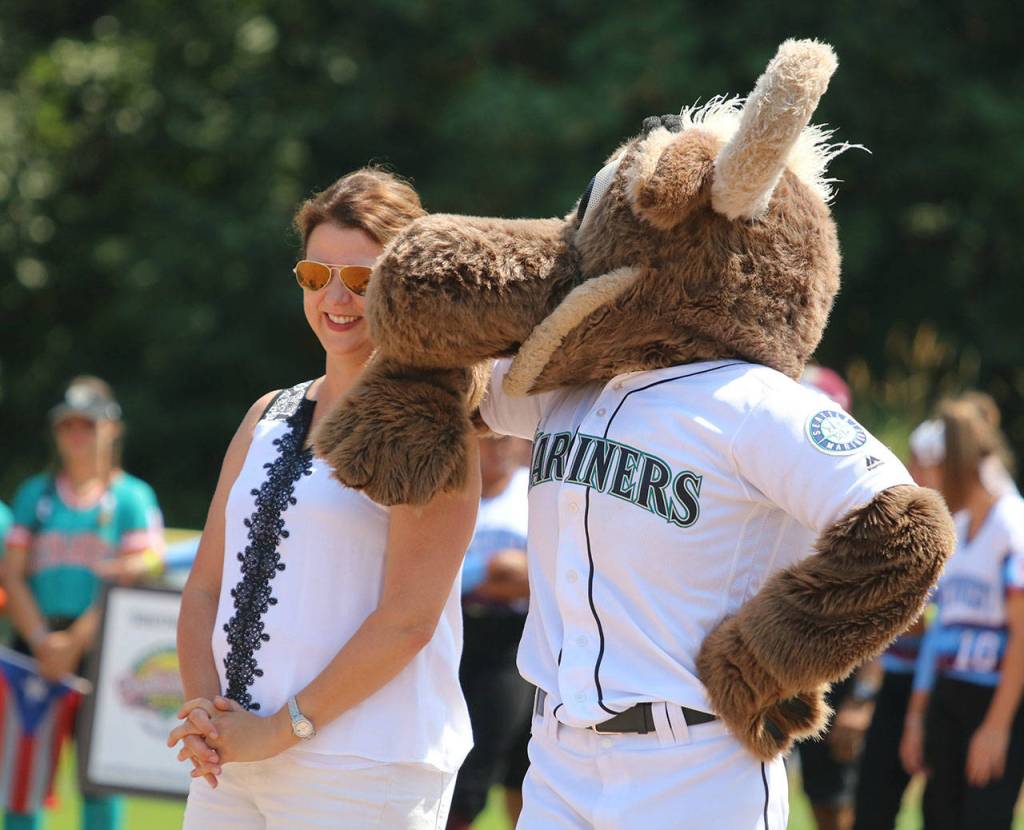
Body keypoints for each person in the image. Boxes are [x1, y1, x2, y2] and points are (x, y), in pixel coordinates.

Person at [169, 168, 479, 830]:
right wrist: (203, 712)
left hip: (364, 768)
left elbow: (409, 620)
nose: (335, 297)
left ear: (405, 283)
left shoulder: (429, 423)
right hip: (234, 756)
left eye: (361, 279)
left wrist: (280, 730)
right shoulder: (266, 413)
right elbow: (204, 589)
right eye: (316, 276)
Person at [1, 376, 162, 830]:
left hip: (101, 647)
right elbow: (12, 574)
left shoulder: (132, 498)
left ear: (112, 429)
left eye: (87, 424)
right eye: (66, 425)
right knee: (23, 776)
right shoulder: (36, 495)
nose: (76, 434)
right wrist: (42, 640)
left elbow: (138, 573)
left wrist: (73, 642)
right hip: (34, 646)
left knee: (99, 777)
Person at [899, 393, 1024, 830]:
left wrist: (996, 727)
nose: (924, 480)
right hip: (948, 700)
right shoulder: (959, 526)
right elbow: (938, 631)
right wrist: (917, 716)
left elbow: (1022, 635)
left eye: (933, 469)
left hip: (994, 702)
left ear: (955, 465)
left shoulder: (1013, 525)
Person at [850, 422, 946, 830]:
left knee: (942, 812)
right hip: (898, 682)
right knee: (872, 807)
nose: (911, 469)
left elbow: (914, 622)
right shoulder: (908, 518)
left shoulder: (974, 523)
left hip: (944, 690)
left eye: (921, 462)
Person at [796, 366, 879, 830]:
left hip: (840, 671)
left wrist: (862, 698)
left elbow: (885, 608)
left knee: (835, 801)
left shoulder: (858, 498)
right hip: (785, 663)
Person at [447, 436, 532, 830]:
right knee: (464, 761)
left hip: (513, 640)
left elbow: (545, 574)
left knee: (523, 770)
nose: (496, 448)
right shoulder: (449, 488)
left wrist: (474, 578)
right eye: (487, 440)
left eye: (504, 439)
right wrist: (493, 571)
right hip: (455, 633)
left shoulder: (532, 490)